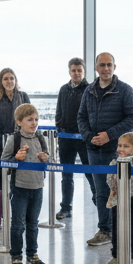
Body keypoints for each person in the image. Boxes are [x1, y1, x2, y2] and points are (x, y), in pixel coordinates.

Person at [76, 52, 133, 247]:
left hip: (117, 152)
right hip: (94, 150)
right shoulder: (89, 91)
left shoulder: (125, 90)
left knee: (119, 192)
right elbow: (81, 117)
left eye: (109, 65)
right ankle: (105, 230)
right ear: (96, 68)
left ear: (114, 67)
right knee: (100, 192)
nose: (106, 69)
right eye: (102, 65)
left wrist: (109, 135)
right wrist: (89, 137)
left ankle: (122, 232)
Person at [7, 103, 49, 264]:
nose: (34, 123)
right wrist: (16, 158)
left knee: (33, 223)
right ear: (19, 122)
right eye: (29, 119)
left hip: (37, 187)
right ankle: (16, 255)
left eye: (36, 119)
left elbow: (48, 159)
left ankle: (32, 254)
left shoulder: (40, 138)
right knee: (18, 224)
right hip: (20, 188)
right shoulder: (14, 139)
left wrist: (45, 157)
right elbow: (5, 160)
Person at [54, 57, 90, 221]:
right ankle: (66, 208)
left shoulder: (90, 89)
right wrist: (60, 127)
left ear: (83, 71)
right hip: (66, 138)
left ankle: (101, 205)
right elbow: (59, 112)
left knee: (91, 173)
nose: (76, 73)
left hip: (84, 138)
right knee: (66, 175)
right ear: (69, 71)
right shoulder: (63, 89)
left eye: (79, 70)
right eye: (74, 70)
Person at [0, 68, 29, 189]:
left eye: (11, 78)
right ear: (1, 82)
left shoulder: (23, 97)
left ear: (15, 80)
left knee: (19, 177)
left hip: (19, 141)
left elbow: (30, 117)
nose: (9, 81)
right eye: (6, 79)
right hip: (0, 143)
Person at [106, 132, 133, 264]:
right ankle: (117, 255)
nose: (121, 149)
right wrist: (113, 187)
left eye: (126, 146)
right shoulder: (114, 162)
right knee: (117, 228)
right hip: (117, 200)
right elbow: (109, 179)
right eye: (119, 145)